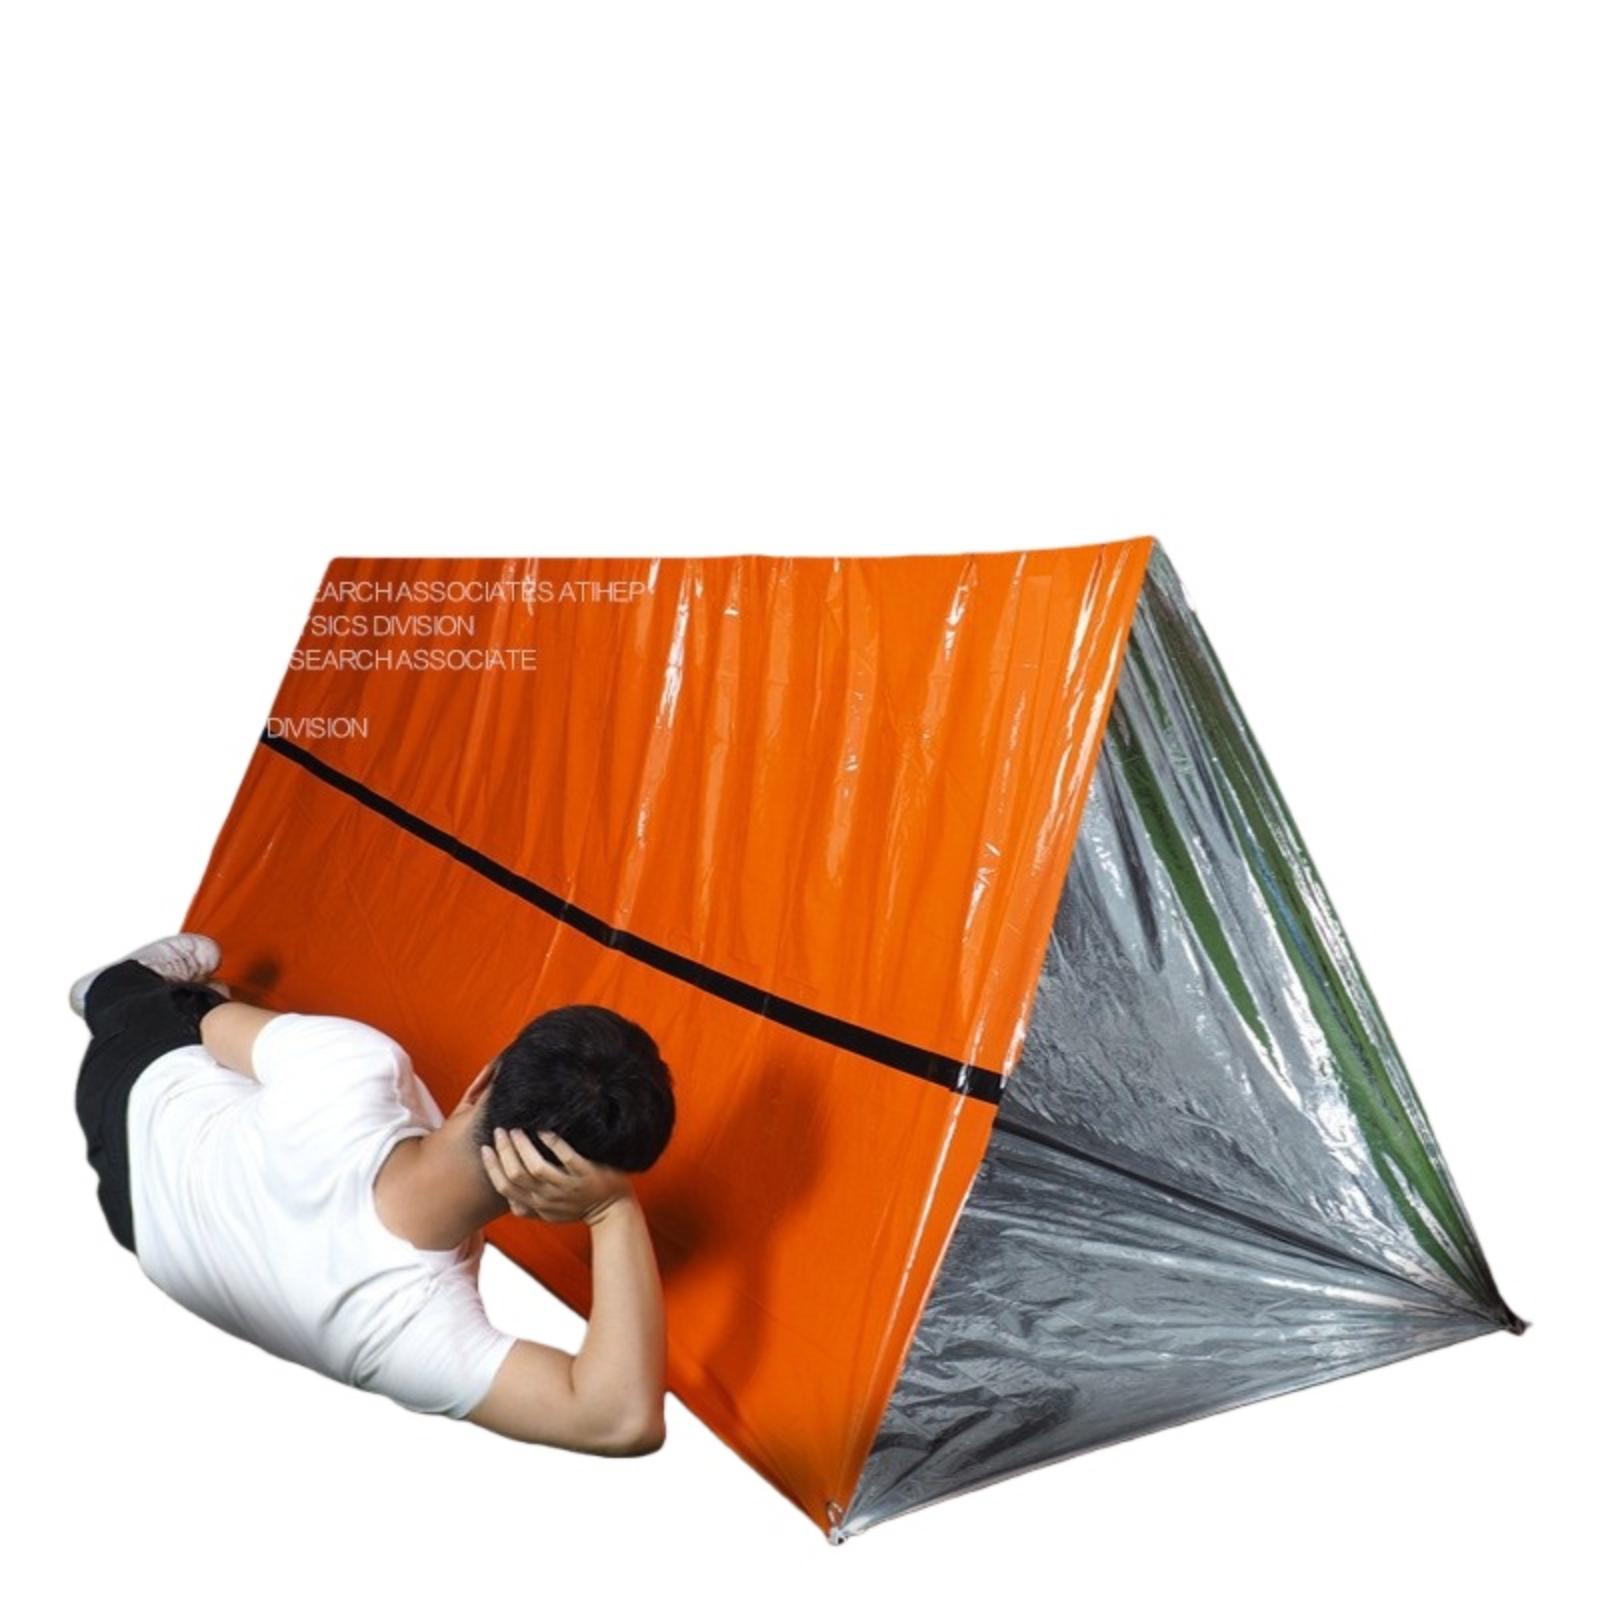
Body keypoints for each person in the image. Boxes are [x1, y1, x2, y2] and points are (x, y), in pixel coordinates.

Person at [70, 932, 676, 1456]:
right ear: (553, 1204)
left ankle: (113, 984)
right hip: (146, 1233)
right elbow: (618, 1421)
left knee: (184, 1006)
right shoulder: (414, 1331)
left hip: (131, 1091)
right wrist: (612, 1213)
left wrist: (212, 1011)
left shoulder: (357, 1064)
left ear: (484, 1080)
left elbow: (212, 1030)